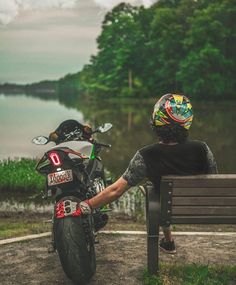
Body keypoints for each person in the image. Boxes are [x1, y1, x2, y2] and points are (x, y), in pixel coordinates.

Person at [79, 94, 218, 253]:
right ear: (187, 122)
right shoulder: (202, 149)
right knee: (160, 192)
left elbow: (116, 190)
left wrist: (87, 205)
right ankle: (168, 241)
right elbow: (213, 181)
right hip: (202, 210)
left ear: (156, 121)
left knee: (155, 191)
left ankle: (168, 239)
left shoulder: (146, 155)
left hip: (167, 211)